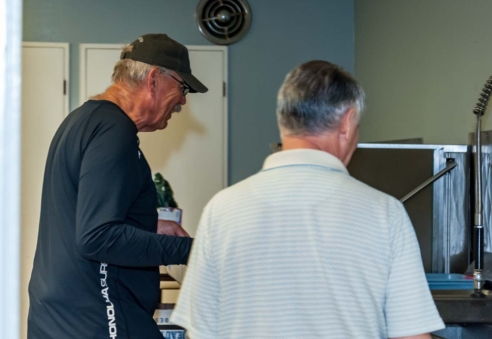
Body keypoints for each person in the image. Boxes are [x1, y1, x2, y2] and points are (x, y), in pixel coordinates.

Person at [172, 60, 445, 339]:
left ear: (282, 123)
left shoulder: (221, 209)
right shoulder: (385, 213)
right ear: (348, 122)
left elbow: (201, 333)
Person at [27, 34, 208, 339]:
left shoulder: (83, 120)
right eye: (182, 87)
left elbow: (84, 216)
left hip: (59, 317)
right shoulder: (114, 131)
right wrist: (194, 249)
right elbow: (98, 237)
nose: (182, 100)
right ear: (153, 79)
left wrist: (150, 224)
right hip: (98, 317)